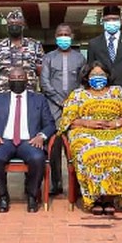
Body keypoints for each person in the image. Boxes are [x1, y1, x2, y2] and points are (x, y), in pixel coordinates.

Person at [57, 61, 122, 215]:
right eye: (94, 75)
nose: (98, 77)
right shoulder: (77, 95)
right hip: (85, 131)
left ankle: (110, 198)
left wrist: (116, 123)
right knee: (90, 150)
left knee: (120, 150)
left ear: (108, 76)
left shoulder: (119, 93)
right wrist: (87, 123)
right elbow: (67, 120)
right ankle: (94, 198)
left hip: (115, 130)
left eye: (101, 75)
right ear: (87, 77)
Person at [0, 67, 55, 213]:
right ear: (8, 80)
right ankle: (2, 195)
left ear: (27, 80)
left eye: (20, 77)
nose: (17, 80)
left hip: (29, 141)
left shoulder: (39, 99)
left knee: (37, 157)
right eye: (14, 78)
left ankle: (32, 195)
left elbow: (50, 124)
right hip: (4, 141)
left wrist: (41, 136)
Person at [40, 23, 85, 196]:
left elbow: (84, 81)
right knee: (54, 148)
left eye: (67, 34)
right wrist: (60, 101)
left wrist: (72, 101)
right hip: (53, 107)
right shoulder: (48, 58)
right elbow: (45, 82)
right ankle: (56, 184)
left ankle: (78, 186)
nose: (64, 37)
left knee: (74, 147)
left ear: (72, 36)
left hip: (75, 108)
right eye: (60, 34)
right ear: (55, 37)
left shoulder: (80, 58)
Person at [0, 10, 44, 109]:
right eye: (11, 23)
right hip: (3, 98)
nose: (14, 25)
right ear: (7, 26)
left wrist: (42, 101)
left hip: (29, 98)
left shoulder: (34, 45)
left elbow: (42, 74)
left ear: (23, 25)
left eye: (17, 23)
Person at [87, 5, 122, 106]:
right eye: (108, 19)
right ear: (102, 21)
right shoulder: (94, 43)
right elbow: (90, 71)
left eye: (115, 19)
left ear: (121, 20)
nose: (111, 22)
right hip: (101, 94)